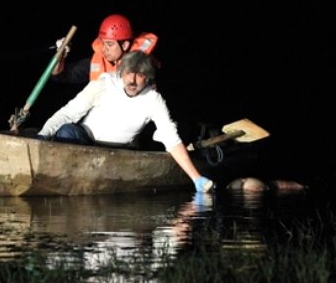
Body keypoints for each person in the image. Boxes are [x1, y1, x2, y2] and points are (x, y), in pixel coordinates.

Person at [37, 51, 214, 193]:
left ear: (148, 78)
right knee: (67, 131)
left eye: (139, 75)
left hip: (121, 153)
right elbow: (68, 113)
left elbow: (171, 138)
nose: (132, 80)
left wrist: (197, 179)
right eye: (129, 73)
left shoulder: (153, 99)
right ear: (122, 72)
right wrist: (43, 135)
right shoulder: (104, 84)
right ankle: (59, 182)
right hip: (86, 141)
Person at [51, 13, 158, 85]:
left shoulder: (143, 65)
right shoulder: (97, 61)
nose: (104, 49)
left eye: (110, 44)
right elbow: (59, 74)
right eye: (103, 43)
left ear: (125, 45)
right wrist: (60, 55)